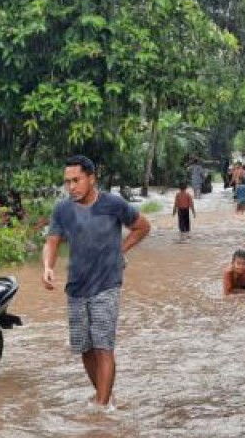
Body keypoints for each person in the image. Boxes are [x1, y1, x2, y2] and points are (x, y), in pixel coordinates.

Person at [42, 155, 152, 409]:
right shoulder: (63, 209)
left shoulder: (113, 204)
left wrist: (120, 251)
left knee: (103, 346)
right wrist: (48, 267)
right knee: (85, 348)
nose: (71, 187)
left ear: (92, 178)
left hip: (107, 284)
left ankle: (102, 410)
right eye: (67, 182)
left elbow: (143, 227)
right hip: (77, 287)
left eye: (76, 180)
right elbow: (53, 241)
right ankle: (105, 395)